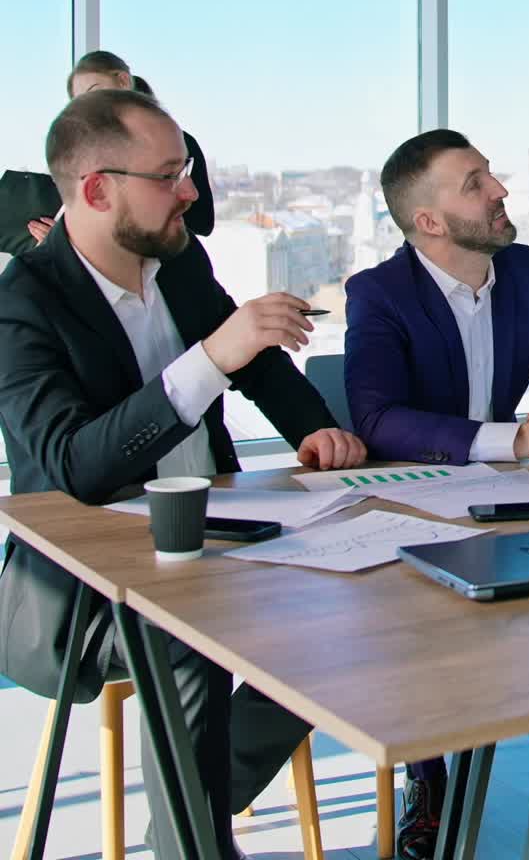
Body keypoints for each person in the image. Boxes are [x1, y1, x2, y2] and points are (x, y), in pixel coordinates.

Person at [0, 87, 368, 860]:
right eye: (170, 175)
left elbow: (255, 357)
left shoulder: (178, 258)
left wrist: (317, 430)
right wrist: (210, 360)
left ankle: (194, 816)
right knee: (185, 630)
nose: (192, 193)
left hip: (216, 545)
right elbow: (76, 465)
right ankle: (195, 838)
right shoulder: (21, 305)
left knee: (356, 599)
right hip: (79, 593)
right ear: (98, 190)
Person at [344, 128, 529, 860]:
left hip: (515, 506)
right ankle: (430, 786)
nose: (500, 190)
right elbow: (377, 418)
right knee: (419, 617)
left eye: (491, 175)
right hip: (413, 506)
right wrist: (514, 441)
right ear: (431, 222)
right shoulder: (378, 293)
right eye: (475, 182)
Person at [25, 50, 215, 244]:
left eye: (94, 91)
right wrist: (63, 241)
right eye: (82, 102)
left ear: (123, 81)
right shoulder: (86, 155)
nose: (91, 106)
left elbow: (203, 222)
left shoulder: (177, 143)